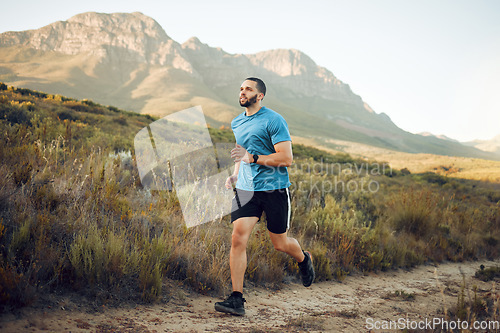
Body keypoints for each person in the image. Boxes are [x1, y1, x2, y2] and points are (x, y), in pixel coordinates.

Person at [214, 77, 315, 316]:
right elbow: (242, 154)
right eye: (241, 88)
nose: (242, 92)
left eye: (248, 89)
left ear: (260, 96)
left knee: (280, 244)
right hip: (247, 189)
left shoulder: (274, 120)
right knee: (238, 238)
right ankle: (236, 299)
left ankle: (303, 259)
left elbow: (286, 158)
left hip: (274, 189)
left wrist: (255, 158)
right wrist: (236, 175)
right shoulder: (237, 122)